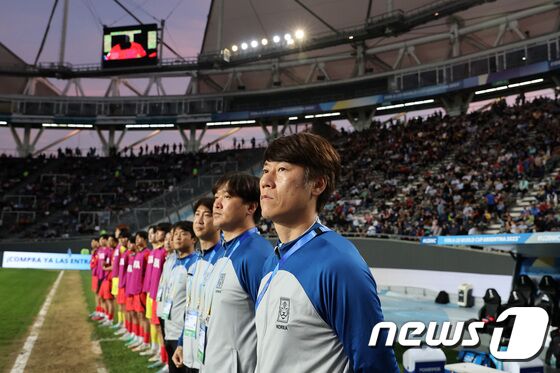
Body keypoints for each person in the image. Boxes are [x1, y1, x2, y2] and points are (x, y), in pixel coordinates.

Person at [256, 132, 398, 372]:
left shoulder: (339, 264)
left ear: (318, 184)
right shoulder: (273, 260)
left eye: (282, 170)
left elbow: (377, 364)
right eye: (265, 170)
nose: (265, 181)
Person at [198, 173, 273, 372]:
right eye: (216, 197)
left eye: (228, 197)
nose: (217, 204)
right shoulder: (222, 251)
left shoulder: (257, 255)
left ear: (251, 207)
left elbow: (273, 330)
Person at [172, 197, 223, 372]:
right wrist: (181, 343)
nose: (199, 220)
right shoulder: (197, 262)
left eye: (207, 215)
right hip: (191, 353)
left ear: (218, 219)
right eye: (196, 214)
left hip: (213, 360)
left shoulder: (224, 260)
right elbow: (191, 310)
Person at [162, 221, 198, 373]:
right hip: (169, 329)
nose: (177, 237)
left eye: (183, 234)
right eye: (175, 234)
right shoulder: (174, 263)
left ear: (193, 239)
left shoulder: (195, 264)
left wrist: (184, 338)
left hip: (182, 334)